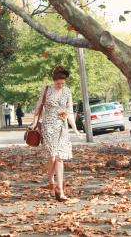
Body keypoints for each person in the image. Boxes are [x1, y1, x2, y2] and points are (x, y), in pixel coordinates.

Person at [31, 65, 81, 201]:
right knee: (52, 157)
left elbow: (69, 111)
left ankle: (60, 188)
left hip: (62, 126)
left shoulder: (67, 92)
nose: (60, 85)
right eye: (58, 83)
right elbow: (38, 108)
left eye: (62, 83)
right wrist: (34, 123)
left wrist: (75, 128)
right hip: (48, 126)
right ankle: (51, 181)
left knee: (60, 158)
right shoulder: (46, 90)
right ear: (54, 81)